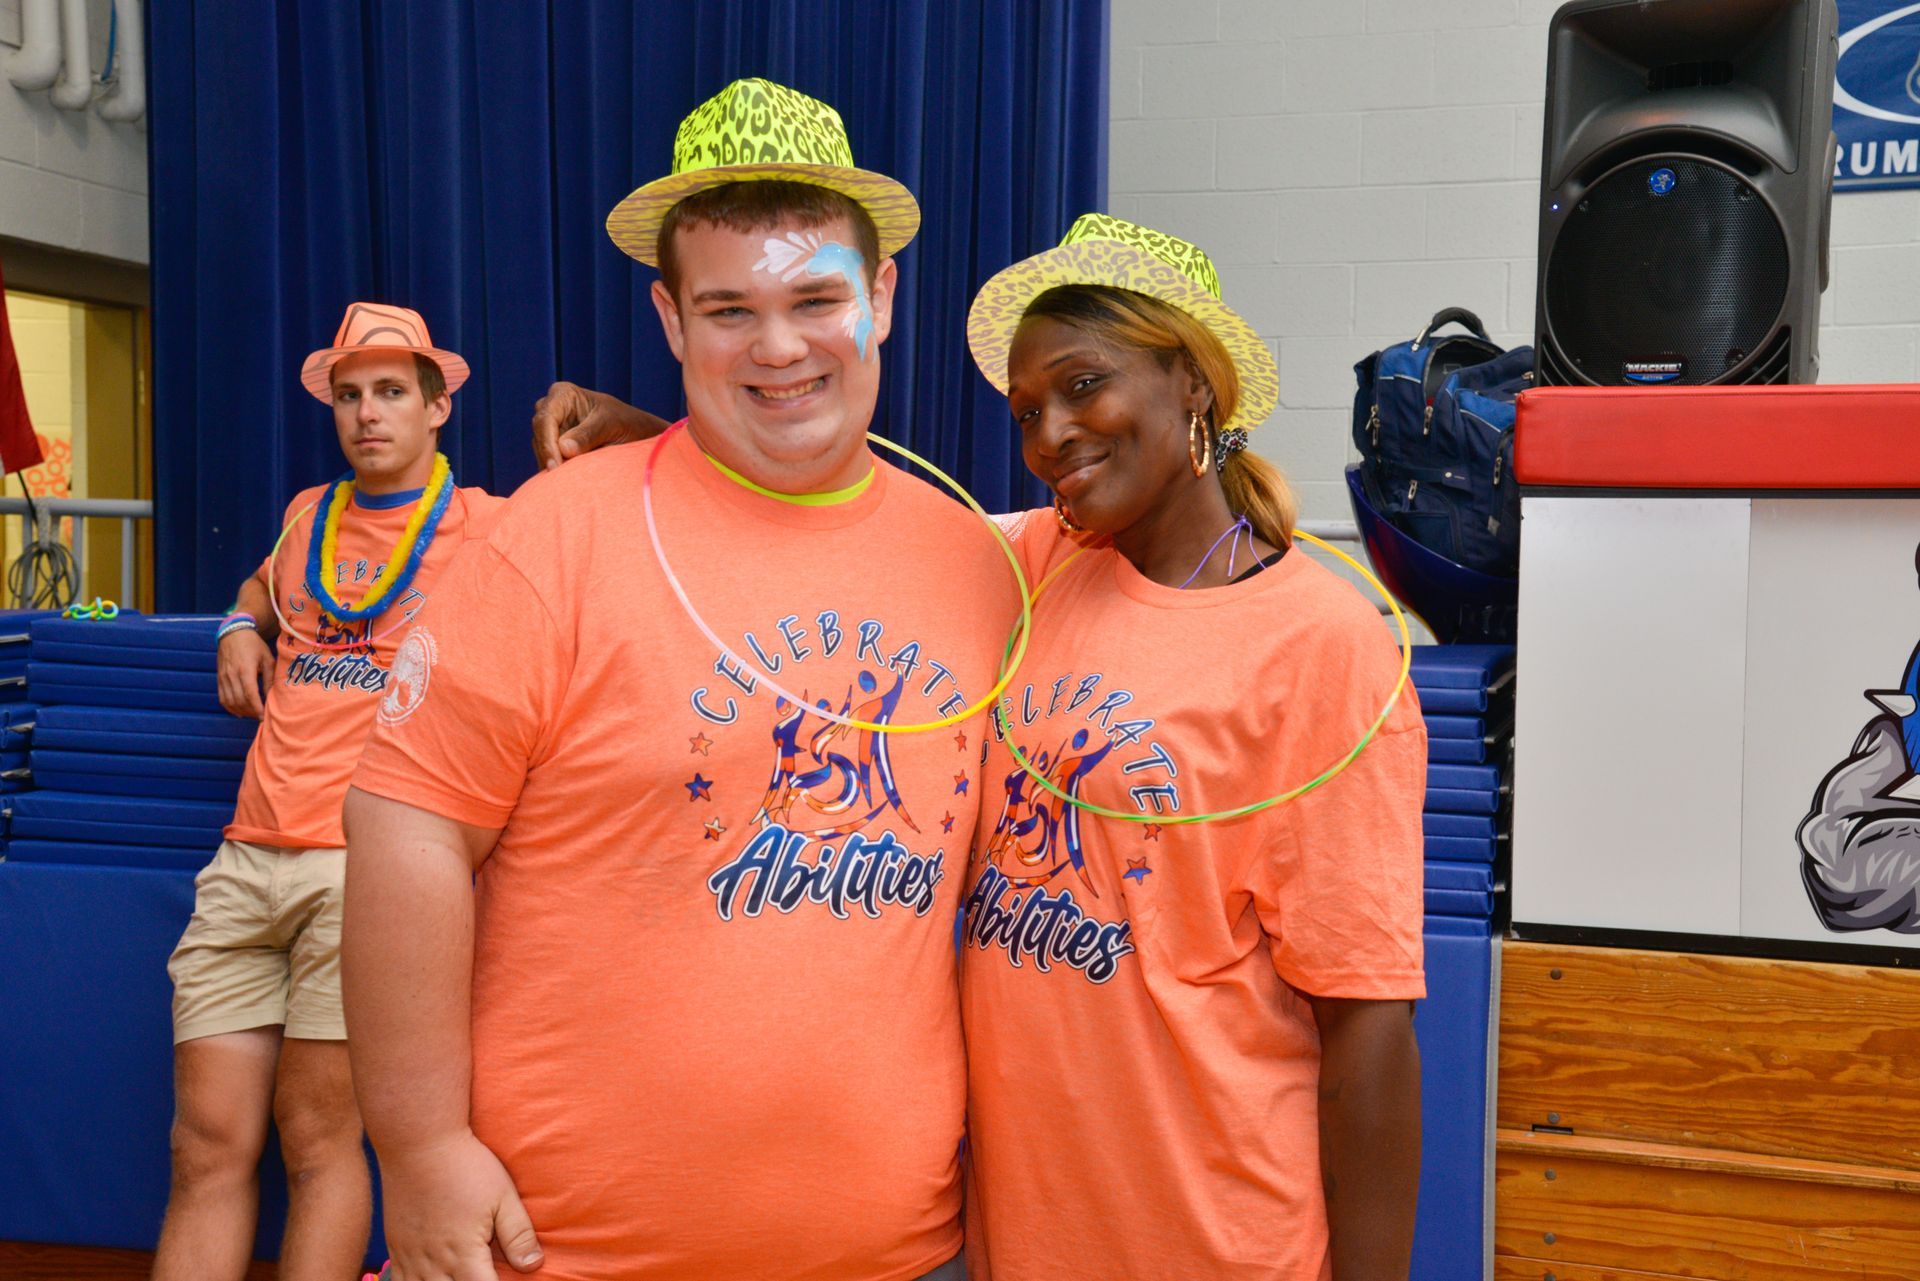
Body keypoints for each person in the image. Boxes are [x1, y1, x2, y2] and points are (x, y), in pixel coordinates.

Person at [539, 213, 1427, 1280]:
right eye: (1026, 410)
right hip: (1024, 1240)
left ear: (1192, 382)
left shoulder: (1319, 644)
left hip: (1216, 1239)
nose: (1052, 432)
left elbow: (1369, 1032)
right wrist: (648, 433)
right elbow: (854, 514)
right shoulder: (1035, 565)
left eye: (1084, 385)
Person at [341, 78, 1019, 1281]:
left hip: (895, 1251)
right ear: (668, 319)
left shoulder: (976, 563)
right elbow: (406, 830)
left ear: (883, 300)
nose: (777, 346)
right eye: (727, 309)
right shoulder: (552, 539)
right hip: (560, 1250)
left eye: (817, 298)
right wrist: (422, 1140)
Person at [155, 304, 503, 1281]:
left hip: (368, 872)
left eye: (392, 392)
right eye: (349, 395)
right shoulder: (310, 512)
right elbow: (265, 587)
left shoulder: (484, 524)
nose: (366, 414)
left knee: (318, 1140)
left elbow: (625, 507)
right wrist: (235, 622)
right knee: (203, 1144)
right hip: (247, 857)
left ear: (438, 408)